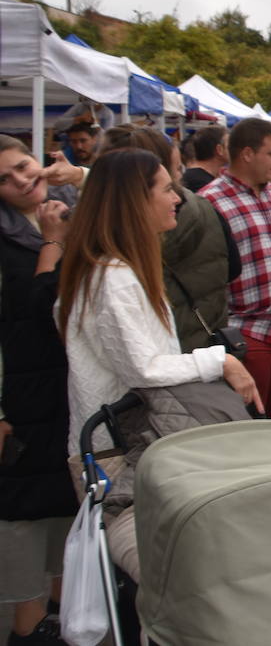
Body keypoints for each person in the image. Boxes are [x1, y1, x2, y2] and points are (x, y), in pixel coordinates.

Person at [59, 148, 262, 584]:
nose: (177, 197)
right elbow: (143, 369)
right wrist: (221, 361)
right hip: (122, 452)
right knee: (170, 580)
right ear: (135, 201)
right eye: (167, 188)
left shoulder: (113, 268)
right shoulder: (113, 276)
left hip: (126, 445)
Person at [0, 136, 77, 644]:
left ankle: (61, 605)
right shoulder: (23, 233)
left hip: (64, 385)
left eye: (24, 166)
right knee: (22, 514)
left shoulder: (69, 208)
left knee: (62, 503)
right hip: (20, 394)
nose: (22, 179)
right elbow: (33, 308)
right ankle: (25, 627)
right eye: (5, 178)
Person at [202, 119, 271, 421]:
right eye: (270, 153)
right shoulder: (210, 201)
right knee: (252, 421)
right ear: (247, 154)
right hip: (249, 331)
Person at [101, 125, 241, 354]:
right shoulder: (114, 273)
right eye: (177, 169)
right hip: (199, 344)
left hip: (179, 350)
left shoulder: (114, 250)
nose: (176, 195)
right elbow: (233, 268)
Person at [181, 125, 228, 193]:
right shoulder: (199, 183)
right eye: (229, 145)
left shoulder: (196, 177)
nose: (233, 149)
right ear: (219, 150)